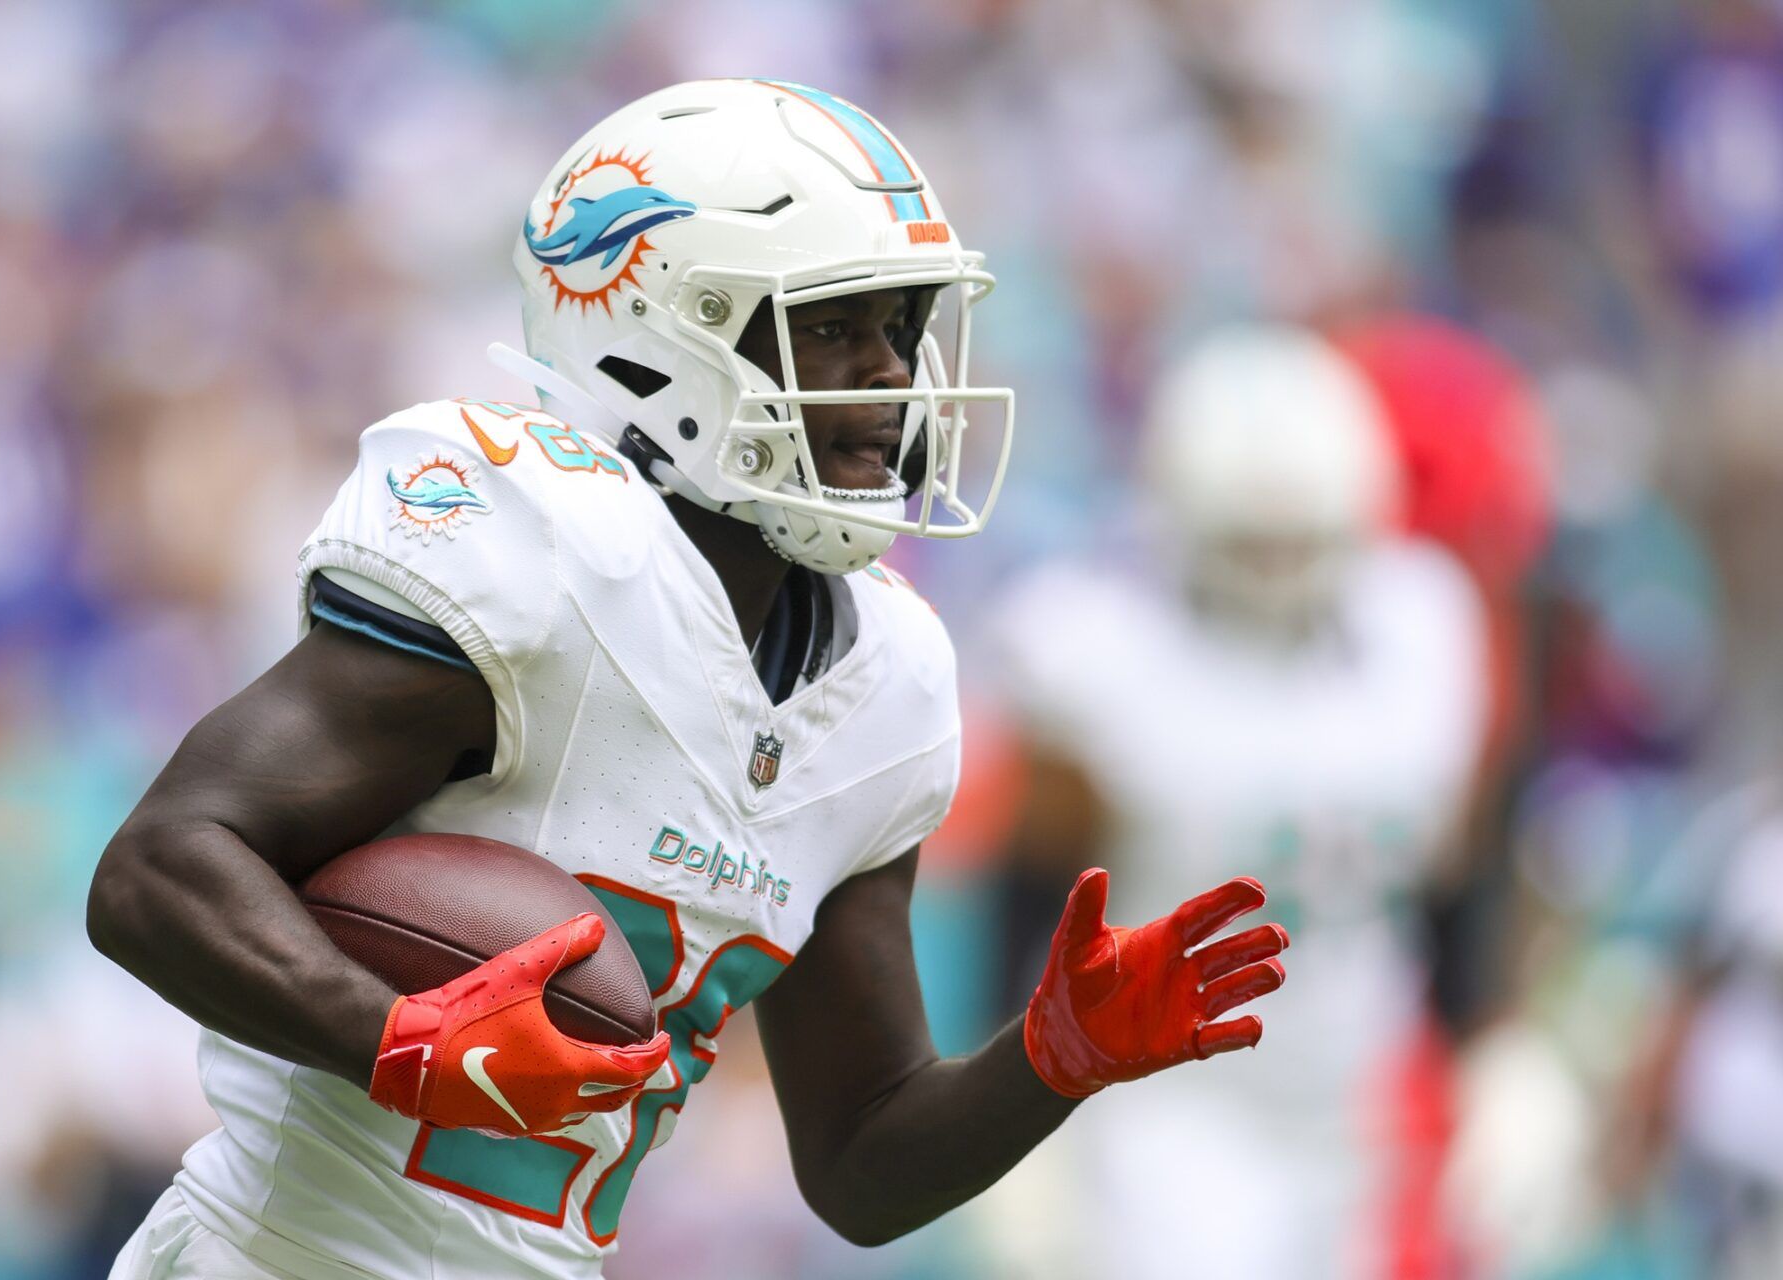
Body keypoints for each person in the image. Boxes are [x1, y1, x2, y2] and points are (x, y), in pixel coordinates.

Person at [87, 80, 1289, 1280]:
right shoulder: (542, 553)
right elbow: (158, 869)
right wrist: (394, 1038)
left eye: (901, 326)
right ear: (663, 340)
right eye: (831, 326)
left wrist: (1049, 1057)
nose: (889, 378)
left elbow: (864, 1158)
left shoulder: (892, 681)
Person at [987, 325, 1487, 1279]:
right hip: (1170, 1104)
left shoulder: (1423, 629)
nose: (1281, 565)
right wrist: (1012, 1100)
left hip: (1357, 1094)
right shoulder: (1100, 654)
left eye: (1304, 537)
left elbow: (1449, 868)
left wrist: (1488, 1046)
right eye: (1252, 542)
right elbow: (1036, 891)